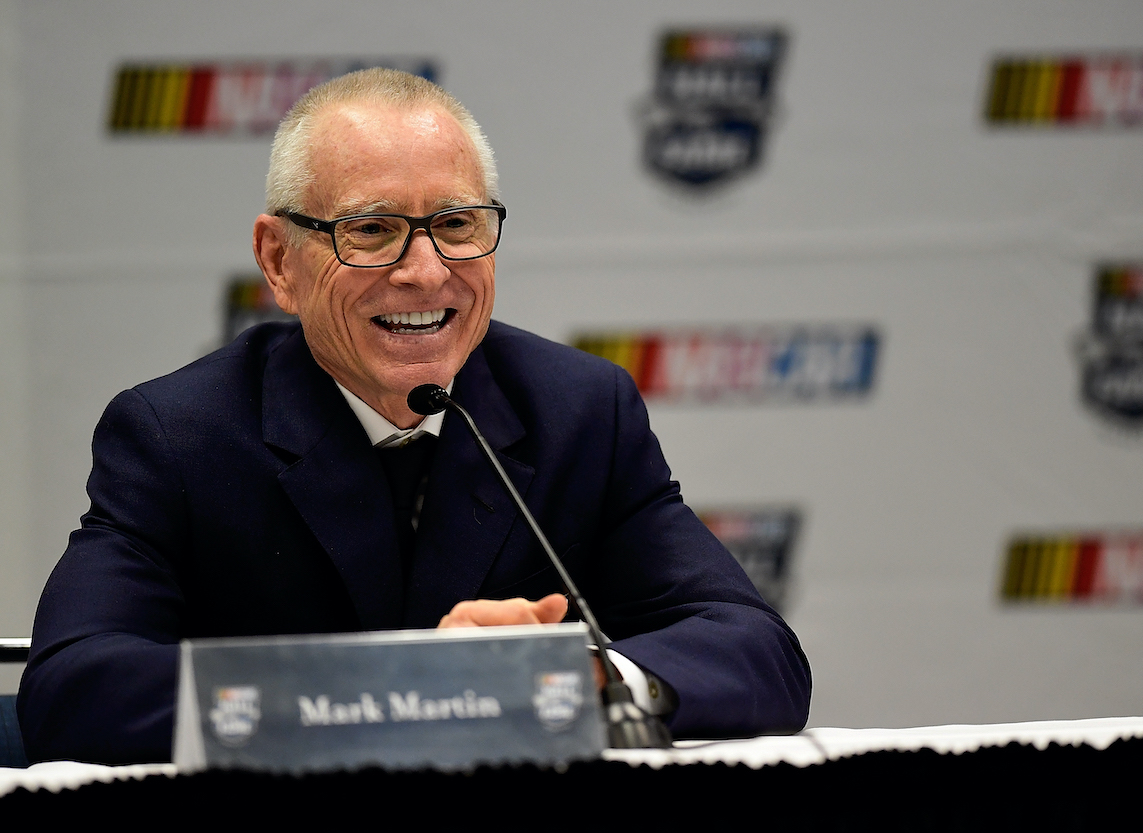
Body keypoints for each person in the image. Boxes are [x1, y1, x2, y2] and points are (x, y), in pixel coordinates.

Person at [18, 68, 811, 764]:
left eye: (456, 225)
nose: (425, 272)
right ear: (278, 262)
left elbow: (758, 653)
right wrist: (406, 683)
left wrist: (580, 677)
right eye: (373, 230)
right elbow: (72, 687)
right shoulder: (178, 434)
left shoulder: (581, 411)